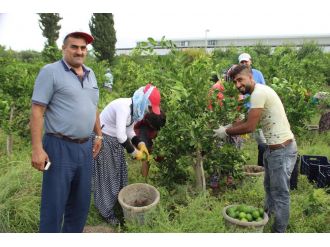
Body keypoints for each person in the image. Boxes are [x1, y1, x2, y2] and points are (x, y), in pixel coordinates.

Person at [30, 31, 102, 233]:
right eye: (74, 47)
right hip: (58, 147)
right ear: (64, 48)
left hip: (85, 147)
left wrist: (98, 134)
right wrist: (37, 149)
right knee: (54, 204)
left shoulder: (91, 73)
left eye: (83, 48)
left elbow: (93, 105)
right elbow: (37, 111)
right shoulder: (50, 72)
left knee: (80, 205)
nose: (79, 51)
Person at [213, 64, 297, 233]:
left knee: (280, 194)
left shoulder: (258, 93)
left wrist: (227, 132)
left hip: (281, 150)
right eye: (235, 82)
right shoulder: (257, 93)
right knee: (269, 188)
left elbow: (250, 127)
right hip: (272, 149)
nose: (237, 85)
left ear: (250, 77)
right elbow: (246, 119)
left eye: (240, 80)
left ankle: (278, 232)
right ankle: (266, 218)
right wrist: (229, 125)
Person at [93, 83, 161, 225]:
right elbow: (121, 135)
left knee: (119, 173)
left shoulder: (136, 111)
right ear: (143, 100)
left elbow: (129, 131)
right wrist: (134, 152)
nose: (149, 111)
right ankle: (106, 212)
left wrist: (141, 144)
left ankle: (118, 204)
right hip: (105, 140)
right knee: (108, 177)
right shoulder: (123, 107)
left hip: (116, 143)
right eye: (149, 107)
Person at [238, 53, 267, 166]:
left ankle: (262, 165)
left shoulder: (258, 74)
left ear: (250, 61)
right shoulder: (237, 75)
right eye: (242, 62)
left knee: (261, 138)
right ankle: (238, 162)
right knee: (239, 139)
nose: (244, 63)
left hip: (256, 110)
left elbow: (264, 88)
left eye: (246, 61)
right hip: (242, 110)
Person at [134, 110, 166, 177]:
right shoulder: (141, 119)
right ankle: (143, 178)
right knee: (146, 154)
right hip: (141, 132)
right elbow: (133, 129)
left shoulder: (158, 116)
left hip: (151, 131)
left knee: (158, 155)